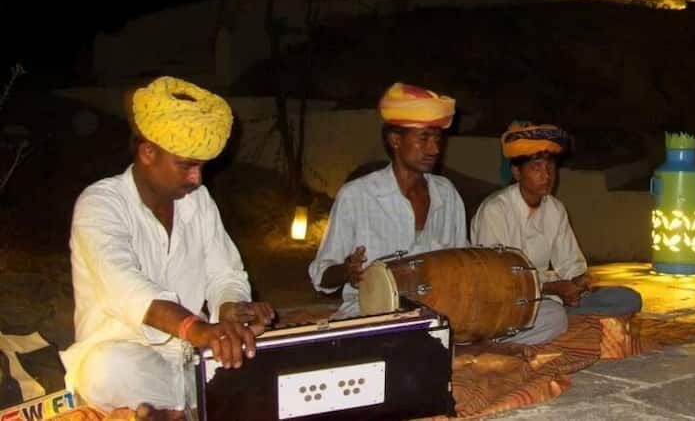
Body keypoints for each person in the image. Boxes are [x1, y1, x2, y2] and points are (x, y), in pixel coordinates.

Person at [59, 77, 274, 418]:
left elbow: (225, 273)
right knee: (104, 370)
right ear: (148, 152)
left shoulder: (198, 201)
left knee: (257, 356)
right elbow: (126, 288)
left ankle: (179, 408)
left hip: (193, 360)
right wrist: (198, 330)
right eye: (187, 165)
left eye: (201, 166)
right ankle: (199, 403)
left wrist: (232, 310)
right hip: (132, 358)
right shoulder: (100, 204)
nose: (197, 179)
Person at [471, 122, 642, 344]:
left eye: (550, 167)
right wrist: (553, 287)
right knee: (553, 315)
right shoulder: (495, 211)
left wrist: (579, 282)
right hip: (506, 304)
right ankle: (518, 334)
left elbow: (570, 262)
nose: (546, 175)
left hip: (550, 299)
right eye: (536, 168)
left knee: (627, 298)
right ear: (516, 172)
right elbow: (500, 281)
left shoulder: (555, 209)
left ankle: (556, 324)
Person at [308, 82, 468, 317]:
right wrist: (347, 271)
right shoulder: (357, 196)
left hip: (435, 313)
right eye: (424, 138)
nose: (434, 149)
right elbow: (321, 274)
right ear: (395, 140)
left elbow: (462, 263)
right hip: (369, 315)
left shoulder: (447, 194)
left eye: (437, 139)